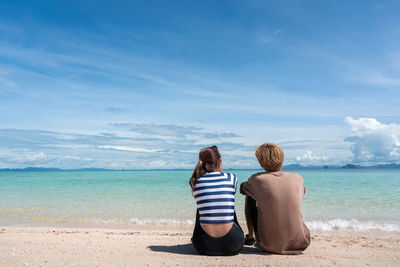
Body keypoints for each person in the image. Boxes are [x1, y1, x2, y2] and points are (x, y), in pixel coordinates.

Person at [240, 143, 310, 255]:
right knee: (290, 198)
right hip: (302, 242)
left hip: (268, 245)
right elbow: (303, 190)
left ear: (260, 163)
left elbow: (242, 189)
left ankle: (250, 236)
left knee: (250, 196)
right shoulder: (297, 178)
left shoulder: (257, 179)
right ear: (282, 159)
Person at [190, 145, 244, 256]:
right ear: (219, 160)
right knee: (227, 205)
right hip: (233, 244)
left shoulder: (195, 182)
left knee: (202, 207)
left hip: (204, 246)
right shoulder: (231, 178)